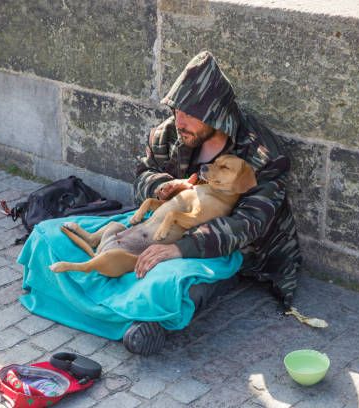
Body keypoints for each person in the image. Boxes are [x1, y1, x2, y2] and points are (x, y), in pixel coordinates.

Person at [122, 51, 303, 355]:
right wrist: (162, 187)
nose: (180, 121)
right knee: (56, 237)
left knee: (175, 276)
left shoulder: (262, 153)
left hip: (231, 246)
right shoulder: (171, 133)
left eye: (191, 115)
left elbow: (249, 225)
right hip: (169, 224)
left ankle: (154, 322)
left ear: (217, 114)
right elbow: (143, 174)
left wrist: (181, 248)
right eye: (177, 110)